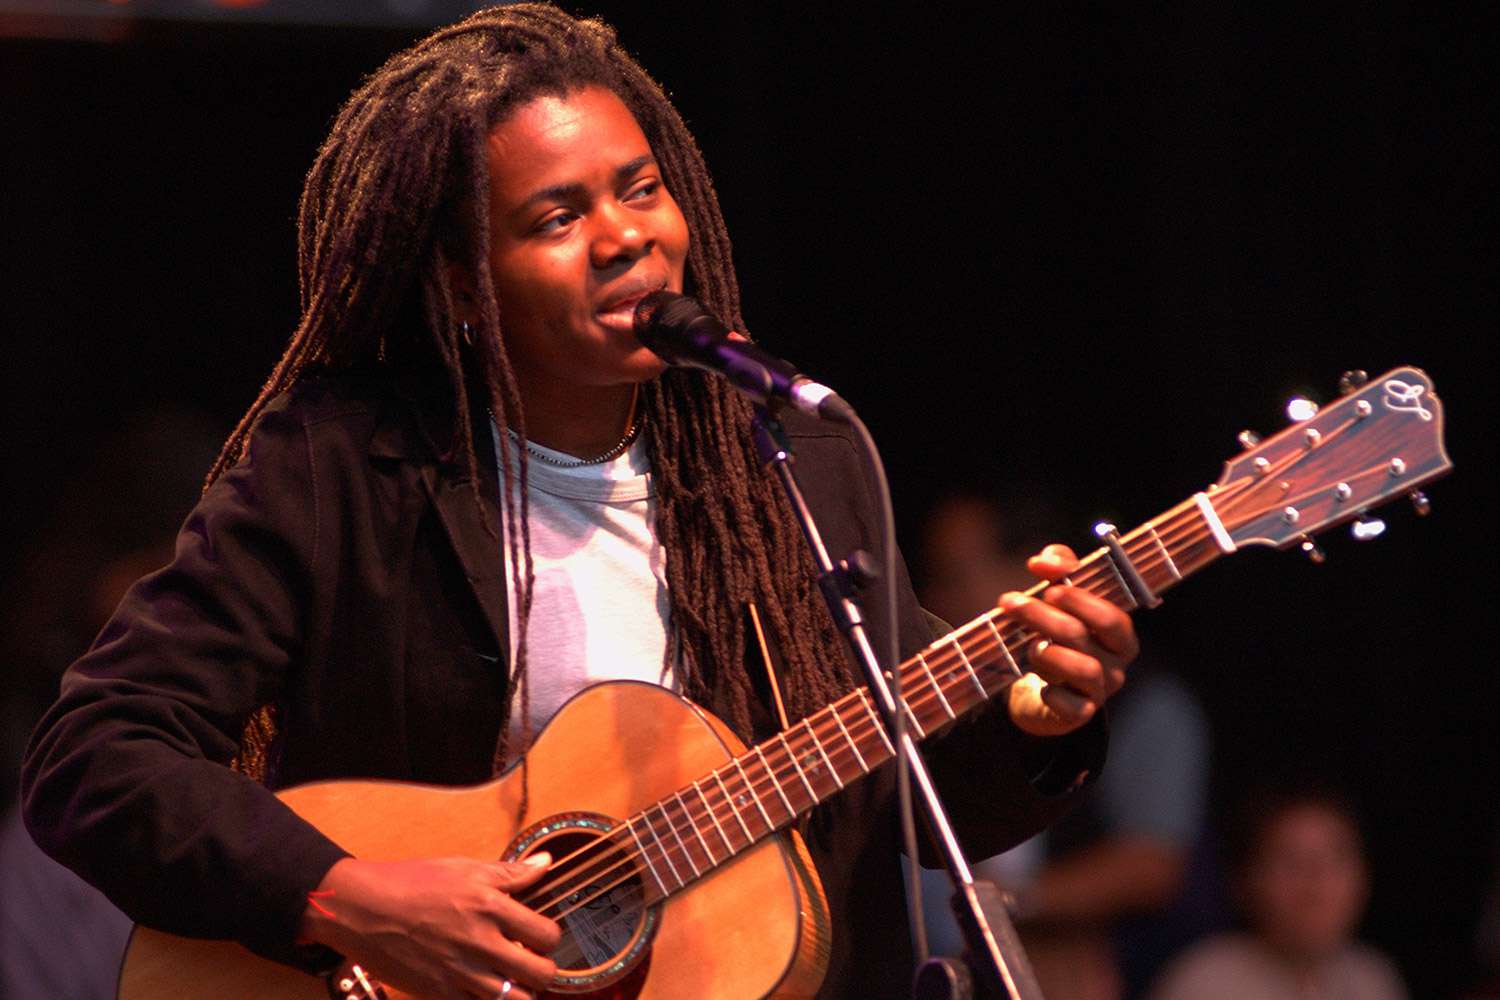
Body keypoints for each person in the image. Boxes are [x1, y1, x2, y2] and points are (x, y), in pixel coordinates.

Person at [20, 6, 1138, 998]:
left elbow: (904, 795)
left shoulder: (786, 457)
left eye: (640, 188)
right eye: (557, 217)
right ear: (463, 282)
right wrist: (351, 899)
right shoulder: (344, 469)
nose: (626, 237)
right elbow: (94, 756)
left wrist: (1040, 720)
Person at [916, 490, 1213, 1000]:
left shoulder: (1146, 703)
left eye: (955, 577)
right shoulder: (916, 701)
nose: (935, 603)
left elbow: (1151, 865)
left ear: (1028, 571)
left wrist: (1008, 909)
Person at [1147, 785, 1407, 1000]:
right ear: (1245, 882)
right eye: (1290, 862)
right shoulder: (1204, 982)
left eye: (1336, 858)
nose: (1317, 884)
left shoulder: (1373, 979)